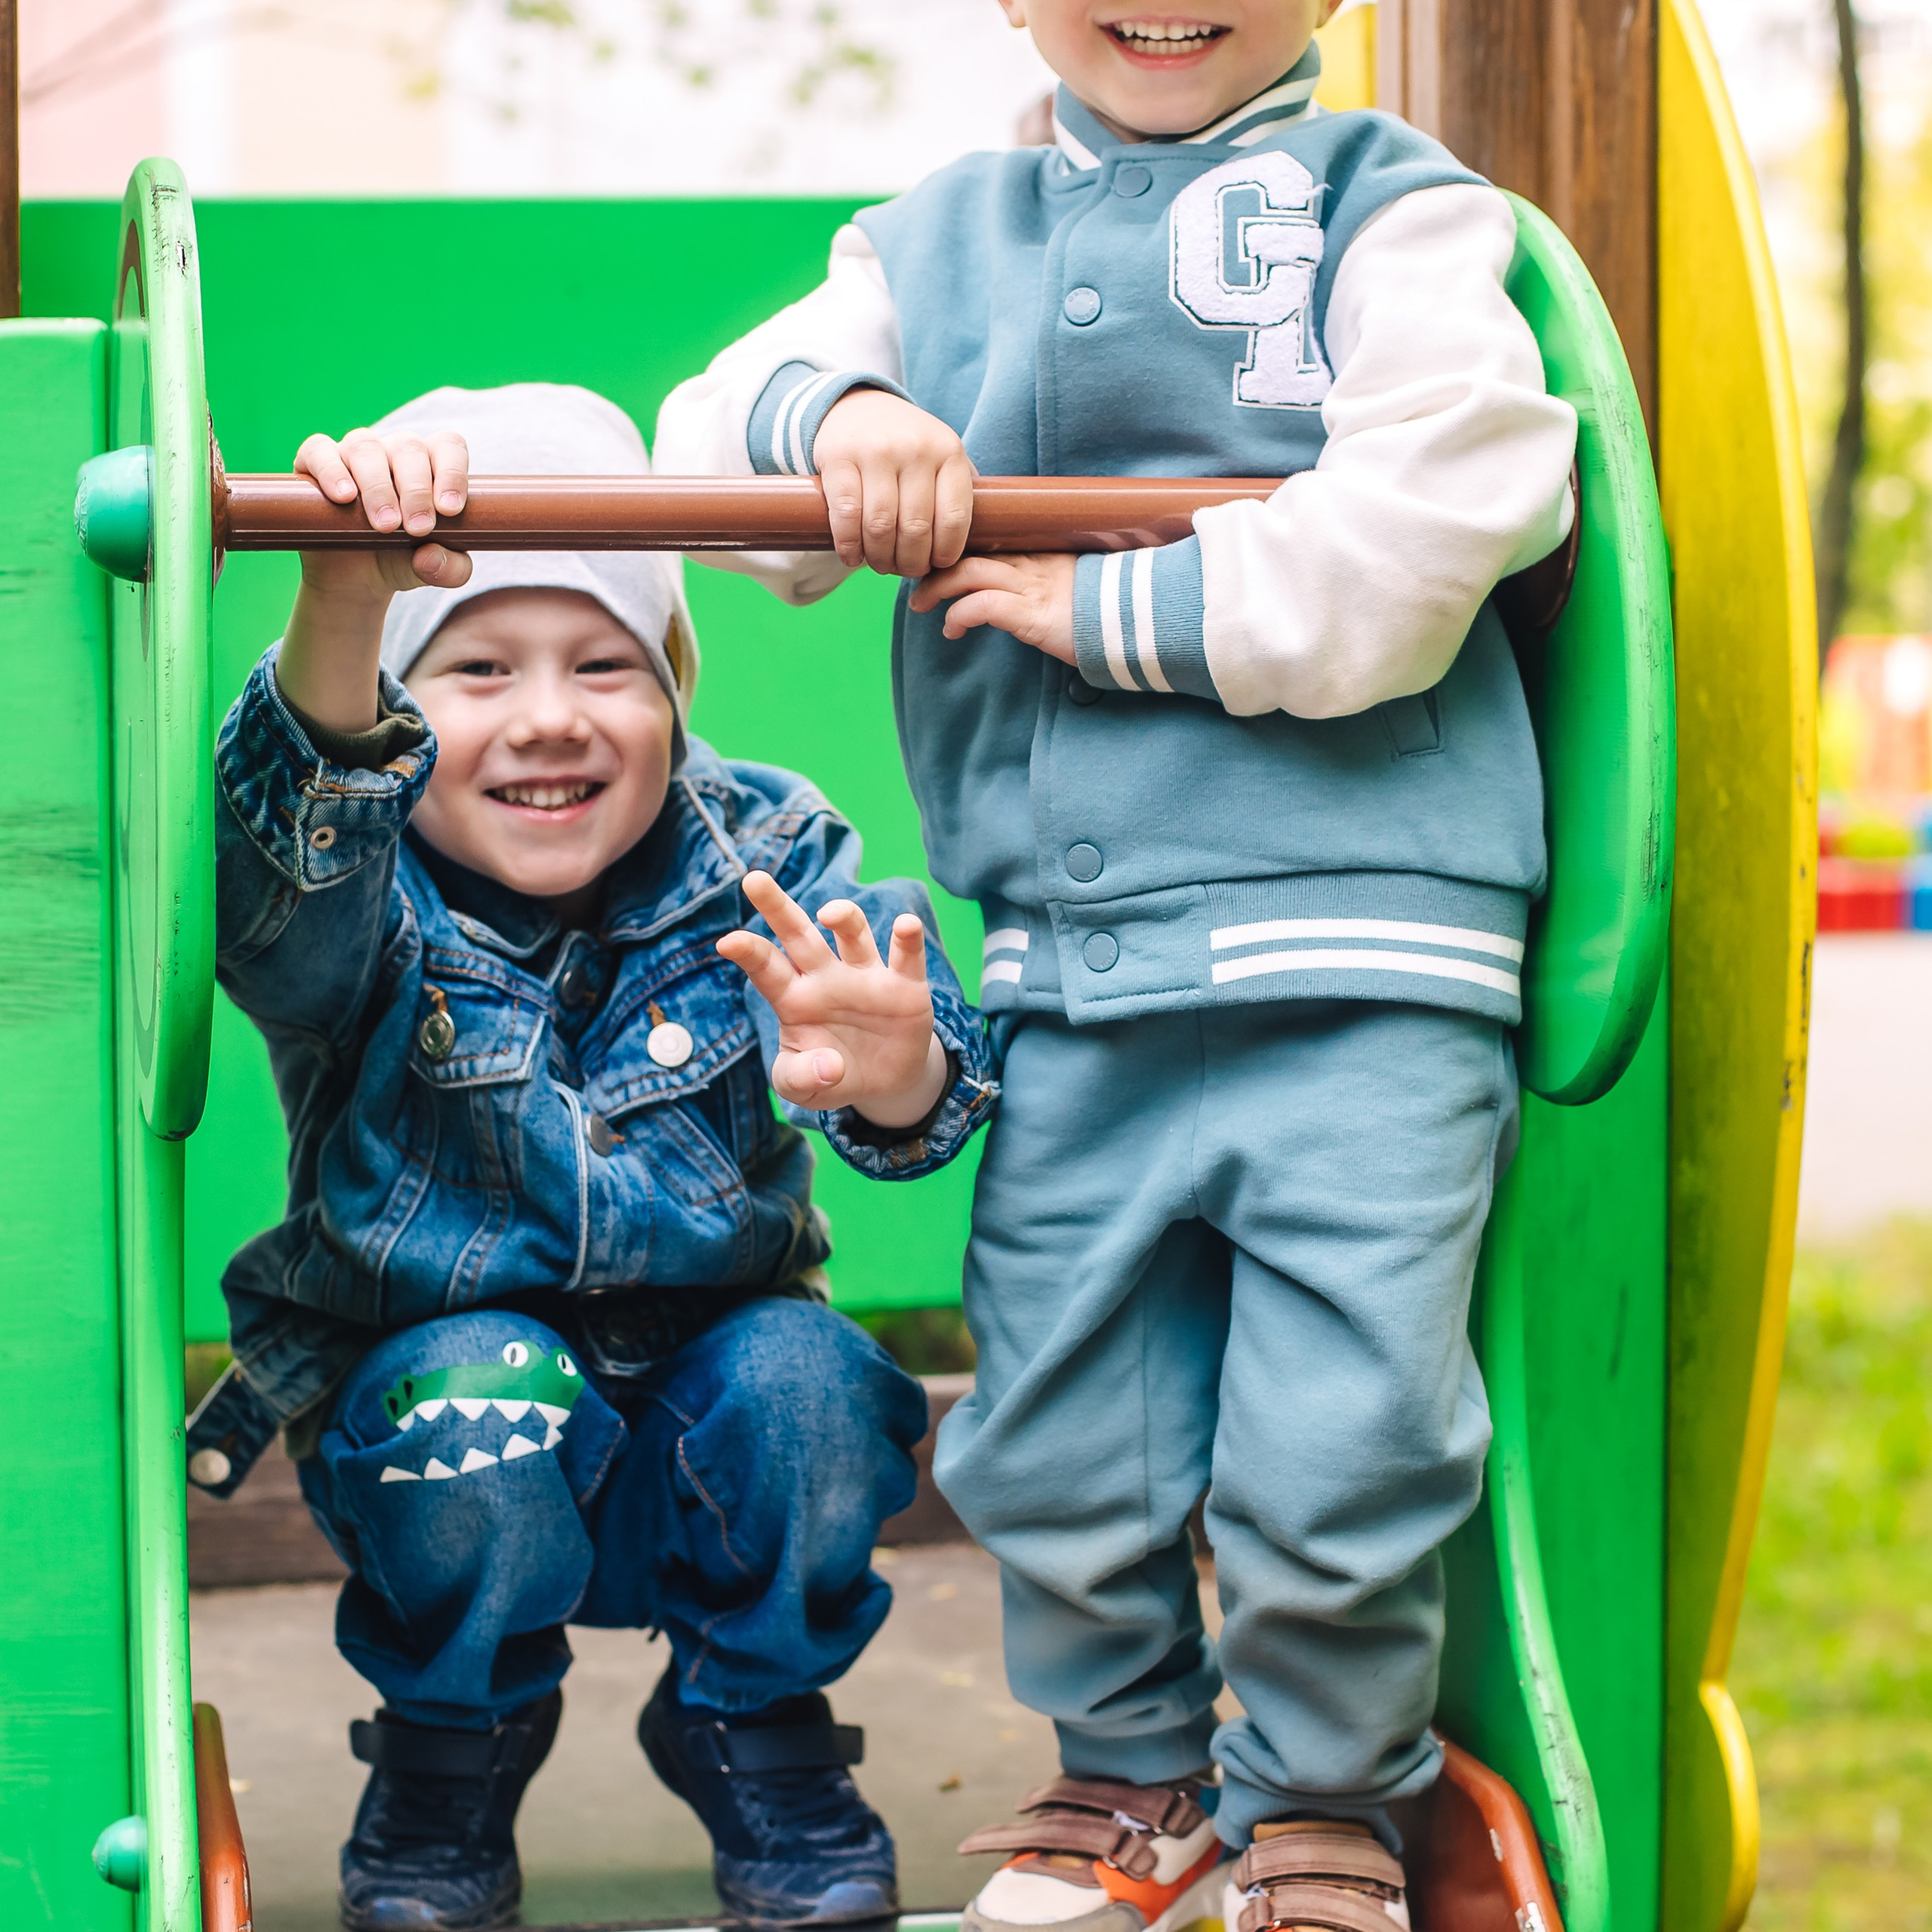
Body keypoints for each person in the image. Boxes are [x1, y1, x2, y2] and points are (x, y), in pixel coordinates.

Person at [651, 3, 1580, 1930]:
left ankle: (1324, 1788)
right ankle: (1130, 1776)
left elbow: (1457, 498)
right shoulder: (924, 242)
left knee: (1344, 1425)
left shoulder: (1396, 210)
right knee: (1061, 1412)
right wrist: (848, 423)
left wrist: (1115, 608)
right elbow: (710, 435)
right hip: (1080, 971)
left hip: (1369, 944)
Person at [184, 382, 996, 1932]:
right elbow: (279, 880)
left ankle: (750, 1724)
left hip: (706, 1430)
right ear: (400, 712)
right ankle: (450, 1750)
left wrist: (894, 1067)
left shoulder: (764, 849)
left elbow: (907, 1090)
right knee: (479, 1373)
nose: (550, 714)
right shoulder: (365, 902)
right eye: (478, 667)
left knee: (811, 1378)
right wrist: (345, 593)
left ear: (675, 690)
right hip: (453, 1443)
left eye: (605, 664)